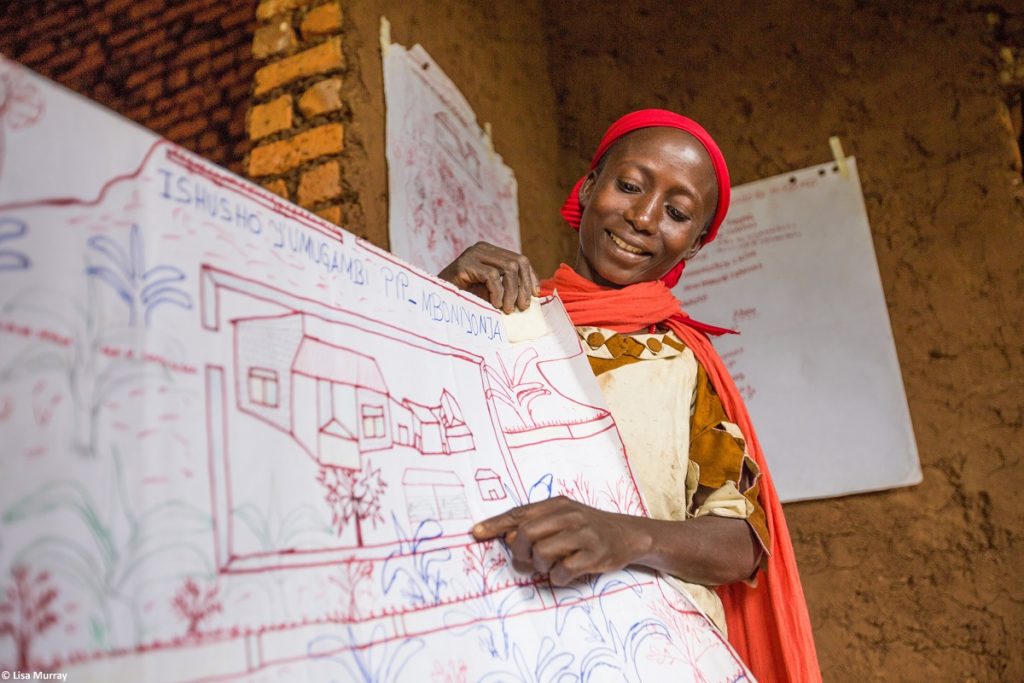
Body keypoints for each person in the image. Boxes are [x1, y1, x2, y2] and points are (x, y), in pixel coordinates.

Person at [439, 109, 820, 682]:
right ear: (589, 187)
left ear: (691, 247)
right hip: (496, 636)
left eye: (677, 212)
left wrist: (628, 535)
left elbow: (742, 539)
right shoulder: (498, 320)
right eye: (630, 185)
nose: (643, 217)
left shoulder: (681, 364)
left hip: (648, 653)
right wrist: (437, 300)